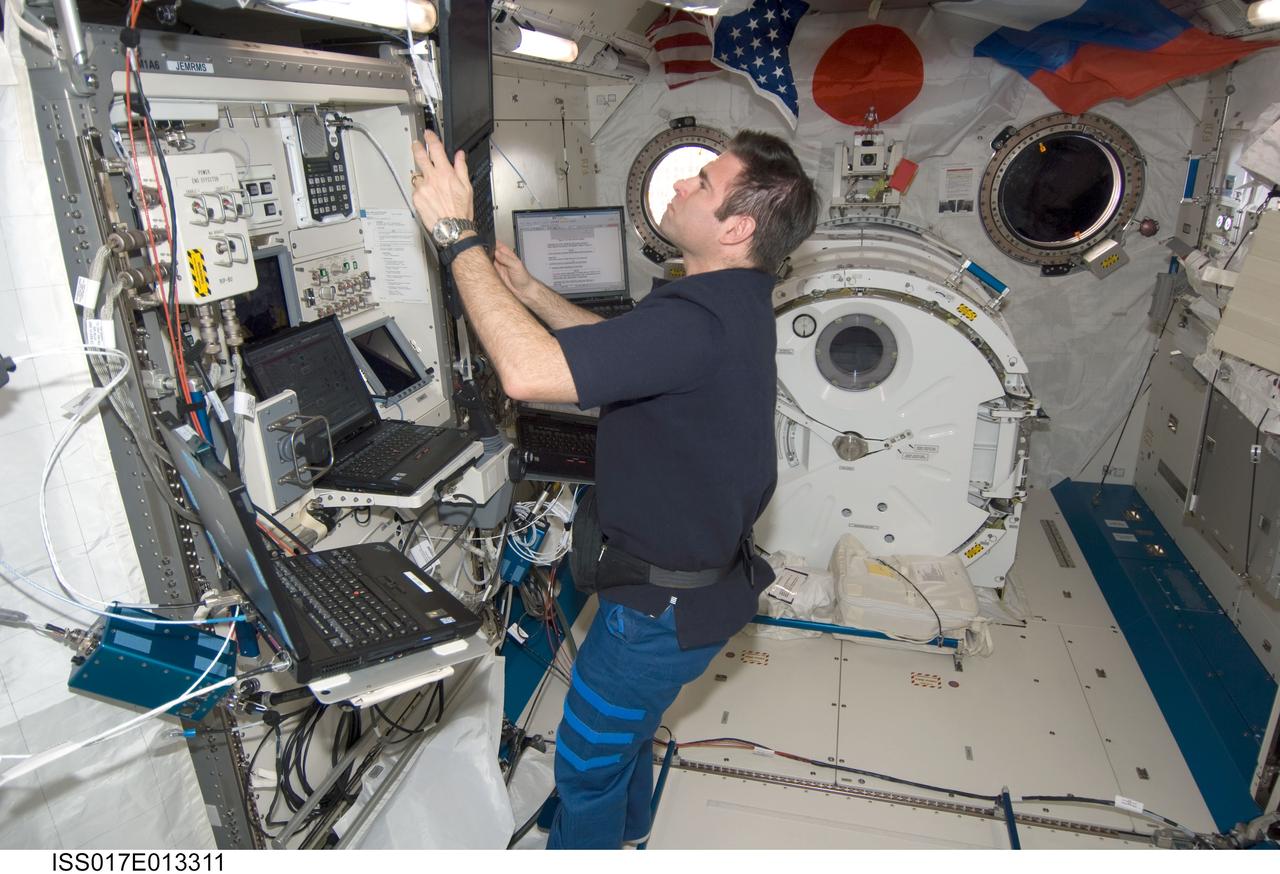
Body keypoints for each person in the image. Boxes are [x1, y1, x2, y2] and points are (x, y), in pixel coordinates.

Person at [410, 128, 819, 849]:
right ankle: (630, 831)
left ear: (738, 227)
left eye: (703, 184)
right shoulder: (726, 300)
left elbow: (527, 375)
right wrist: (533, 294)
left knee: (585, 769)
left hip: (655, 615)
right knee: (622, 742)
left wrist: (454, 235)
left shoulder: (700, 319)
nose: (680, 186)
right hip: (687, 593)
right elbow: (626, 356)